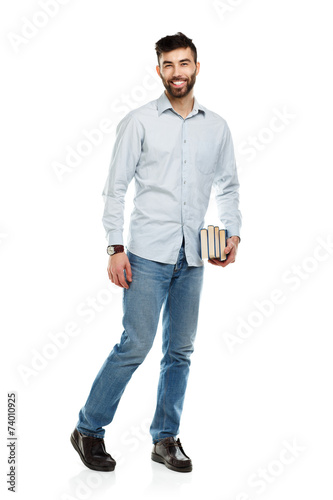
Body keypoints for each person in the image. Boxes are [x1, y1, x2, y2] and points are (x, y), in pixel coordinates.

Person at [71, 32, 242, 473]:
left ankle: (165, 439)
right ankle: (88, 429)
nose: (177, 73)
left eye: (184, 64)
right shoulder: (139, 121)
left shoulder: (217, 126)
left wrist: (233, 234)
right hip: (146, 254)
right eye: (168, 65)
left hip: (194, 256)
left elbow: (228, 185)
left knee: (180, 351)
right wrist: (114, 248)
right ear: (159, 70)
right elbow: (115, 189)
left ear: (197, 68)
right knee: (136, 345)